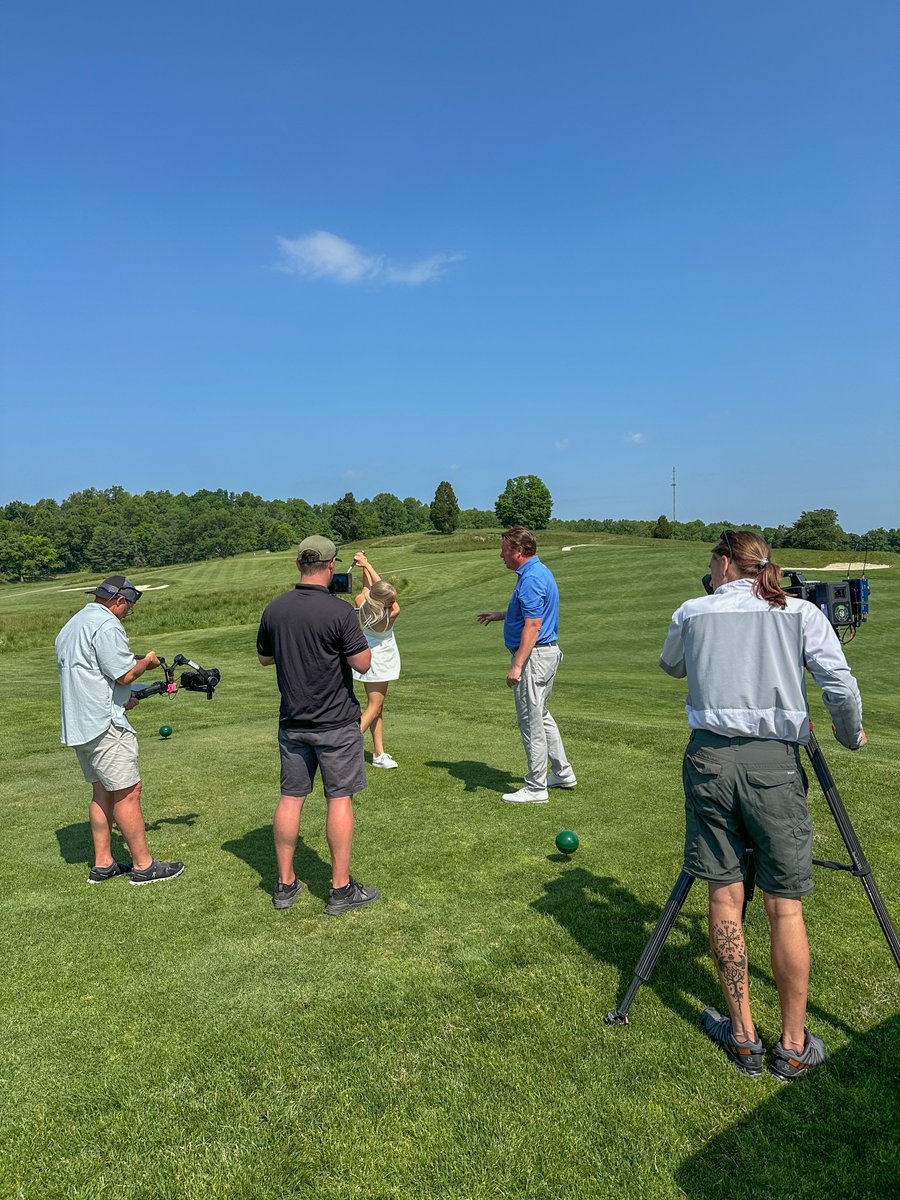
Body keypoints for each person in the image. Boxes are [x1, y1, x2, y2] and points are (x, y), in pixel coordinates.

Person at [659, 530, 866, 1080]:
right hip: (774, 764)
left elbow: (671, 665)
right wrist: (850, 735)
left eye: (712, 560)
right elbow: (840, 686)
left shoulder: (693, 611)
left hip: (708, 762)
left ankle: (744, 1036)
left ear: (726, 561)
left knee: (725, 898)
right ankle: (793, 1043)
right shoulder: (798, 613)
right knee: (784, 905)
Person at [257, 535, 380, 915]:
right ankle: (340, 890)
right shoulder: (339, 611)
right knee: (338, 798)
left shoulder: (275, 609)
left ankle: (285, 883)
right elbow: (363, 664)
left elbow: (265, 658)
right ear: (330, 567)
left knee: (291, 798)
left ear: (299, 565)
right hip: (336, 721)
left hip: (293, 721)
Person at [55, 575, 185, 886]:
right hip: (104, 725)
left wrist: (121, 699)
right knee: (128, 792)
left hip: (80, 723)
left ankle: (104, 864)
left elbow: (90, 674)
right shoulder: (107, 625)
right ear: (119, 601)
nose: (128, 613)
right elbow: (125, 674)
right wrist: (147, 662)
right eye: (129, 607)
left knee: (102, 790)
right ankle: (144, 867)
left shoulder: (74, 624)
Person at [477, 525, 576, 803]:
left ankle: (536, 787)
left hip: (534, 658)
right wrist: (500, 615)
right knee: (541, 716)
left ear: (518, 551)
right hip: (543, 655)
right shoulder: (536, 572)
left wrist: (517, 665)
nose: (501, 556)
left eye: (504, 550)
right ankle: (562, 772)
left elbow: (533, 625)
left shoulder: (531, 578)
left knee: (531, 722)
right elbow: (527, 611)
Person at [351, 551, 401, 769]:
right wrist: (367, 564)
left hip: (369, 657)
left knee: (377, 708)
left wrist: (363, 566)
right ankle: (346, 745)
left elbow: (368, 590)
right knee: (374, 707)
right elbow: (379, 587)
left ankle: (378, 753)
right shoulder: (392, 612)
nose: (394, 601)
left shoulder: (361, 603)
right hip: (381, 661)